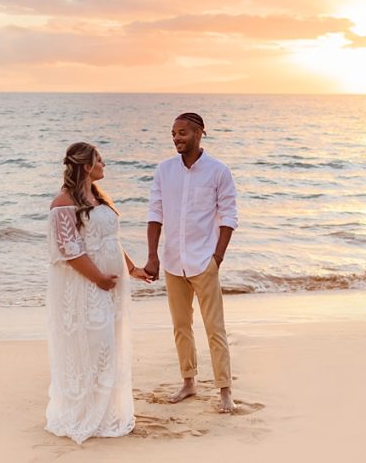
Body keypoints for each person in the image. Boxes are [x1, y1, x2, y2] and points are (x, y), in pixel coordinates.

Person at [45, 142, 151, 444]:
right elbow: (69, 250)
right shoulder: (62, 203)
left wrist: (132, 269)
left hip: (110, 286)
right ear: (86, 165)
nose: (104, 164)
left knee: (110, 344)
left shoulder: (99, 197)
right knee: (93, 344)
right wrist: (98, 279)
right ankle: (84, 411)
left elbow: (111, 240)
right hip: (85, 287)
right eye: (99, 160)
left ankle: (107, 410)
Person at [143, 112, 238, 414]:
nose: (176, 138)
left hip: (203, 261)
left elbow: (229, 216)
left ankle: (225, 390)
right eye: (173, 133)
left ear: (199, 133)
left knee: (215, 328)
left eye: (182, 132)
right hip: (173, 262)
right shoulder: (164, 170)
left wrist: (217, 258)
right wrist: (153, 256)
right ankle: (189, 382)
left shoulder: (218, 171)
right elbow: (155, 214)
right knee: (181, 326)